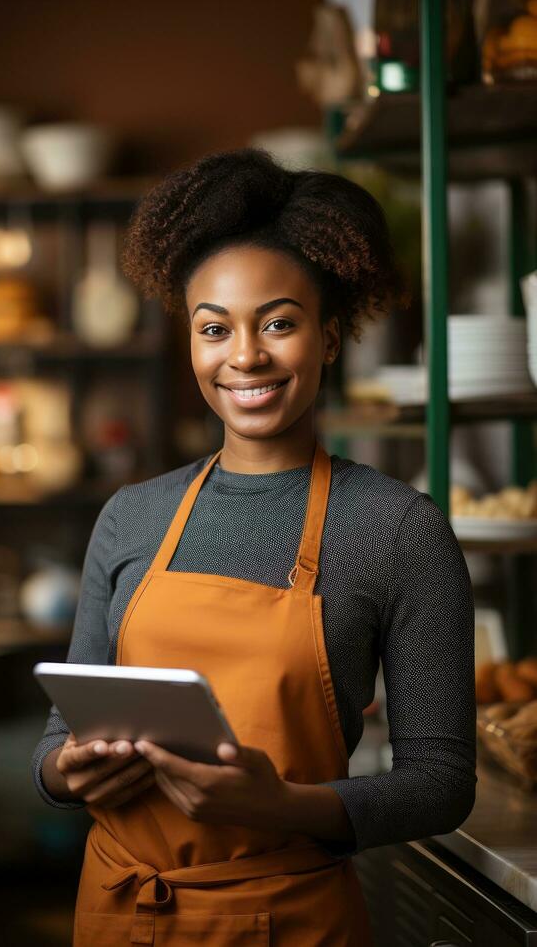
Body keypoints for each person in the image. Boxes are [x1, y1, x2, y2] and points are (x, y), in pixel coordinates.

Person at [32, 148, 477, 946]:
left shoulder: (399, 530)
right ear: (192, 342)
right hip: (120, 909)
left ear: (330, 337)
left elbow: (442, 786)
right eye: (214, 329)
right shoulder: (130, 517)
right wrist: (68, 772)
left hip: (288, 919)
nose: (245, 357)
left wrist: (284, 807)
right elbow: (53, 746)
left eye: (278, 322)